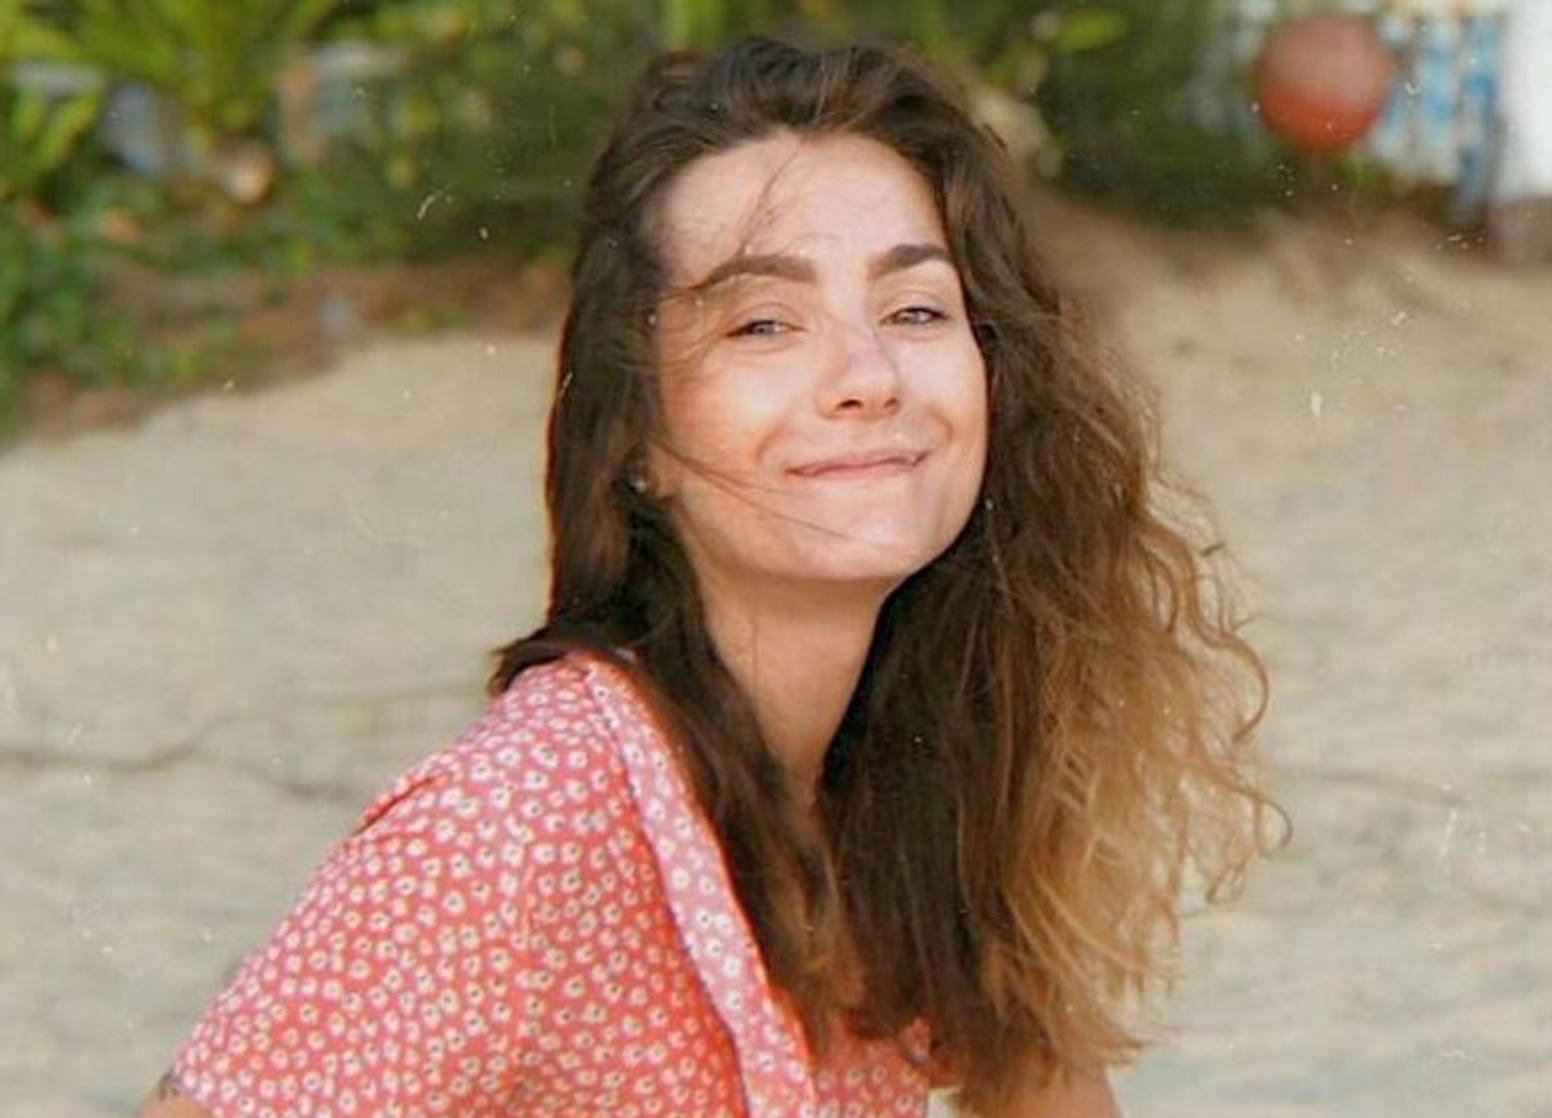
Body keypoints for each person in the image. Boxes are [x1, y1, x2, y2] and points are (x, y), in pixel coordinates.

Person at [138, 37, 1274, 1118]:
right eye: (764, 323)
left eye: (916, 309)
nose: (869, 374)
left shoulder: (916, 763)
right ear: (637, 433)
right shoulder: (515, 824)